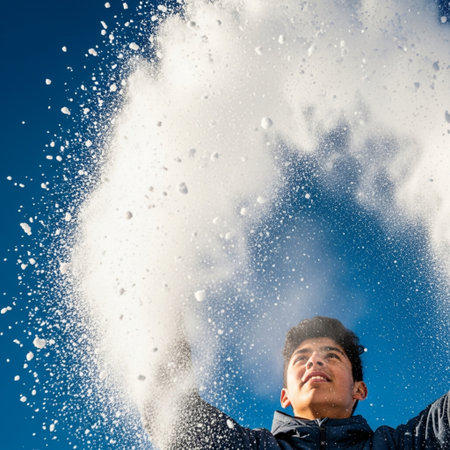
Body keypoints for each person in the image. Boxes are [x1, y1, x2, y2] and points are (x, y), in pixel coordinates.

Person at [143, 316, 449, 449]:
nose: (315, 361)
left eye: (332, 356)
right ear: (285, 395)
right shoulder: (251, 447)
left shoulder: (400, 445)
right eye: (301, 358)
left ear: (359, 389)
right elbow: (173, 416)